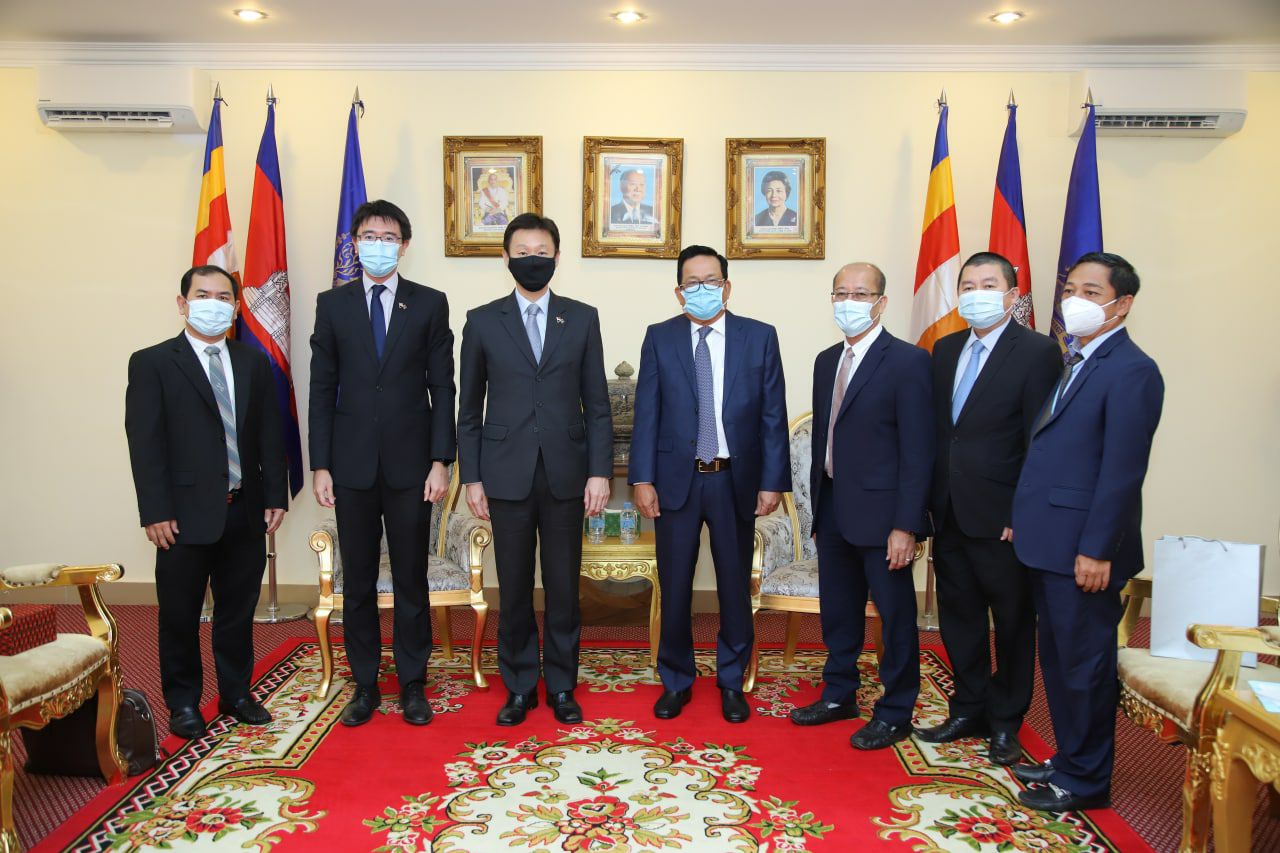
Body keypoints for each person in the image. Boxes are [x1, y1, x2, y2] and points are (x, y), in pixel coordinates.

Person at [1010, 252, 1163, 812]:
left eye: (1092, 292)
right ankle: (1070, 759)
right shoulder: (1076, 359)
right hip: (1050, 542)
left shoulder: (1132, 370)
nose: (1075, 300)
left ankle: (1086, 781)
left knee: (1085, 669)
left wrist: (1097, 550)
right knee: (1059, 663)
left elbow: (1122, 472)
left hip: (1084, 551)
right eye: (1071, 289)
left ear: (1122, 304)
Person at [458, 212, 612, 726]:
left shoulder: (583, 318)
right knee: (515, 585)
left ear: (557, 258)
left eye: (541, 252)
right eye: (522, 252)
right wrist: (472, 477)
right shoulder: (482, 321)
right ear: (505, 258)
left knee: (565, 587)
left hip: (567, 473)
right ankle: (520, 685)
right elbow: (468, 409)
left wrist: (599, 472)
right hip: (505, 473)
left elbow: (598, 405)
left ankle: (563, 685)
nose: (532, 260)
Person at [309, 199, 456, 728]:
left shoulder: (430, 303)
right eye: (369, 236)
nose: (378, 245)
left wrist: (441, 460)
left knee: (412, 577)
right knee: (359, 580)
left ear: (404, 246)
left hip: (412, 466)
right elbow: (322, 388)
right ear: (355, 243)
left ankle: (413, 682)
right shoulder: (333, 304)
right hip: (349, 466)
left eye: (388, 237)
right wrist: (320, 464)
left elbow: (443, 387)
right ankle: (365, 684)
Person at [125, 264, 288, 740]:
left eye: (222, 297)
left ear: (235, 308)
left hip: (245, 508)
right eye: (202, 295)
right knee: (179, 615)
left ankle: (236, 694)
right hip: (181, 515)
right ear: (182, 303)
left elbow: (268, 432)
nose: (212, 304)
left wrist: (274, 494)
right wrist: (155, 511)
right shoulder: (153, 362)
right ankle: (183, 703)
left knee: (237, 611)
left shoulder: (253, 361)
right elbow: (145, 442)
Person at [629, 245, 790, 723]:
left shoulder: (759, 336)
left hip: (733, 479)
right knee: (675, 585)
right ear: (680, 292)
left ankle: (731, 681)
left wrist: (772, 482)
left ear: (727, 286)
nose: (703, 289)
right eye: (693, 283)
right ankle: (676, 680)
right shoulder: (659, 337)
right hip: (675, 482)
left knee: (734, 587)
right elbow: (646, 413)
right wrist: (642, 478)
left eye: (712, 281)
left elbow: (773, 415)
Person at [916, 252, 1061, 766]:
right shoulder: (946, 349)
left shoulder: (1038, 352)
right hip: (950, 512)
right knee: (961, 619)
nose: (976, 293)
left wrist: (1023, 515)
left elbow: (1040, 441)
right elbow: (940, 433)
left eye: (988, 284)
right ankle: (968, 709)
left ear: (1012, 294)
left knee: (1014, 623)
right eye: (967, 285)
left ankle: (1006, 722)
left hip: (1003, 519)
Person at [789, 263, 934, 750]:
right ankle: (839, 695)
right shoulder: (827, 360)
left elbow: (919, 451)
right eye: (841, 293)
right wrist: (817, 511)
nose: (848, 302)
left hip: (885, 517)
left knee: (895, 616)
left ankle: (896, 711)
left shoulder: (909, 362)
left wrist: (907, 525)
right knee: (839, 611)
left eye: (860, 293)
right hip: (833, 507)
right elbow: (825, 441)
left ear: (881, 303)